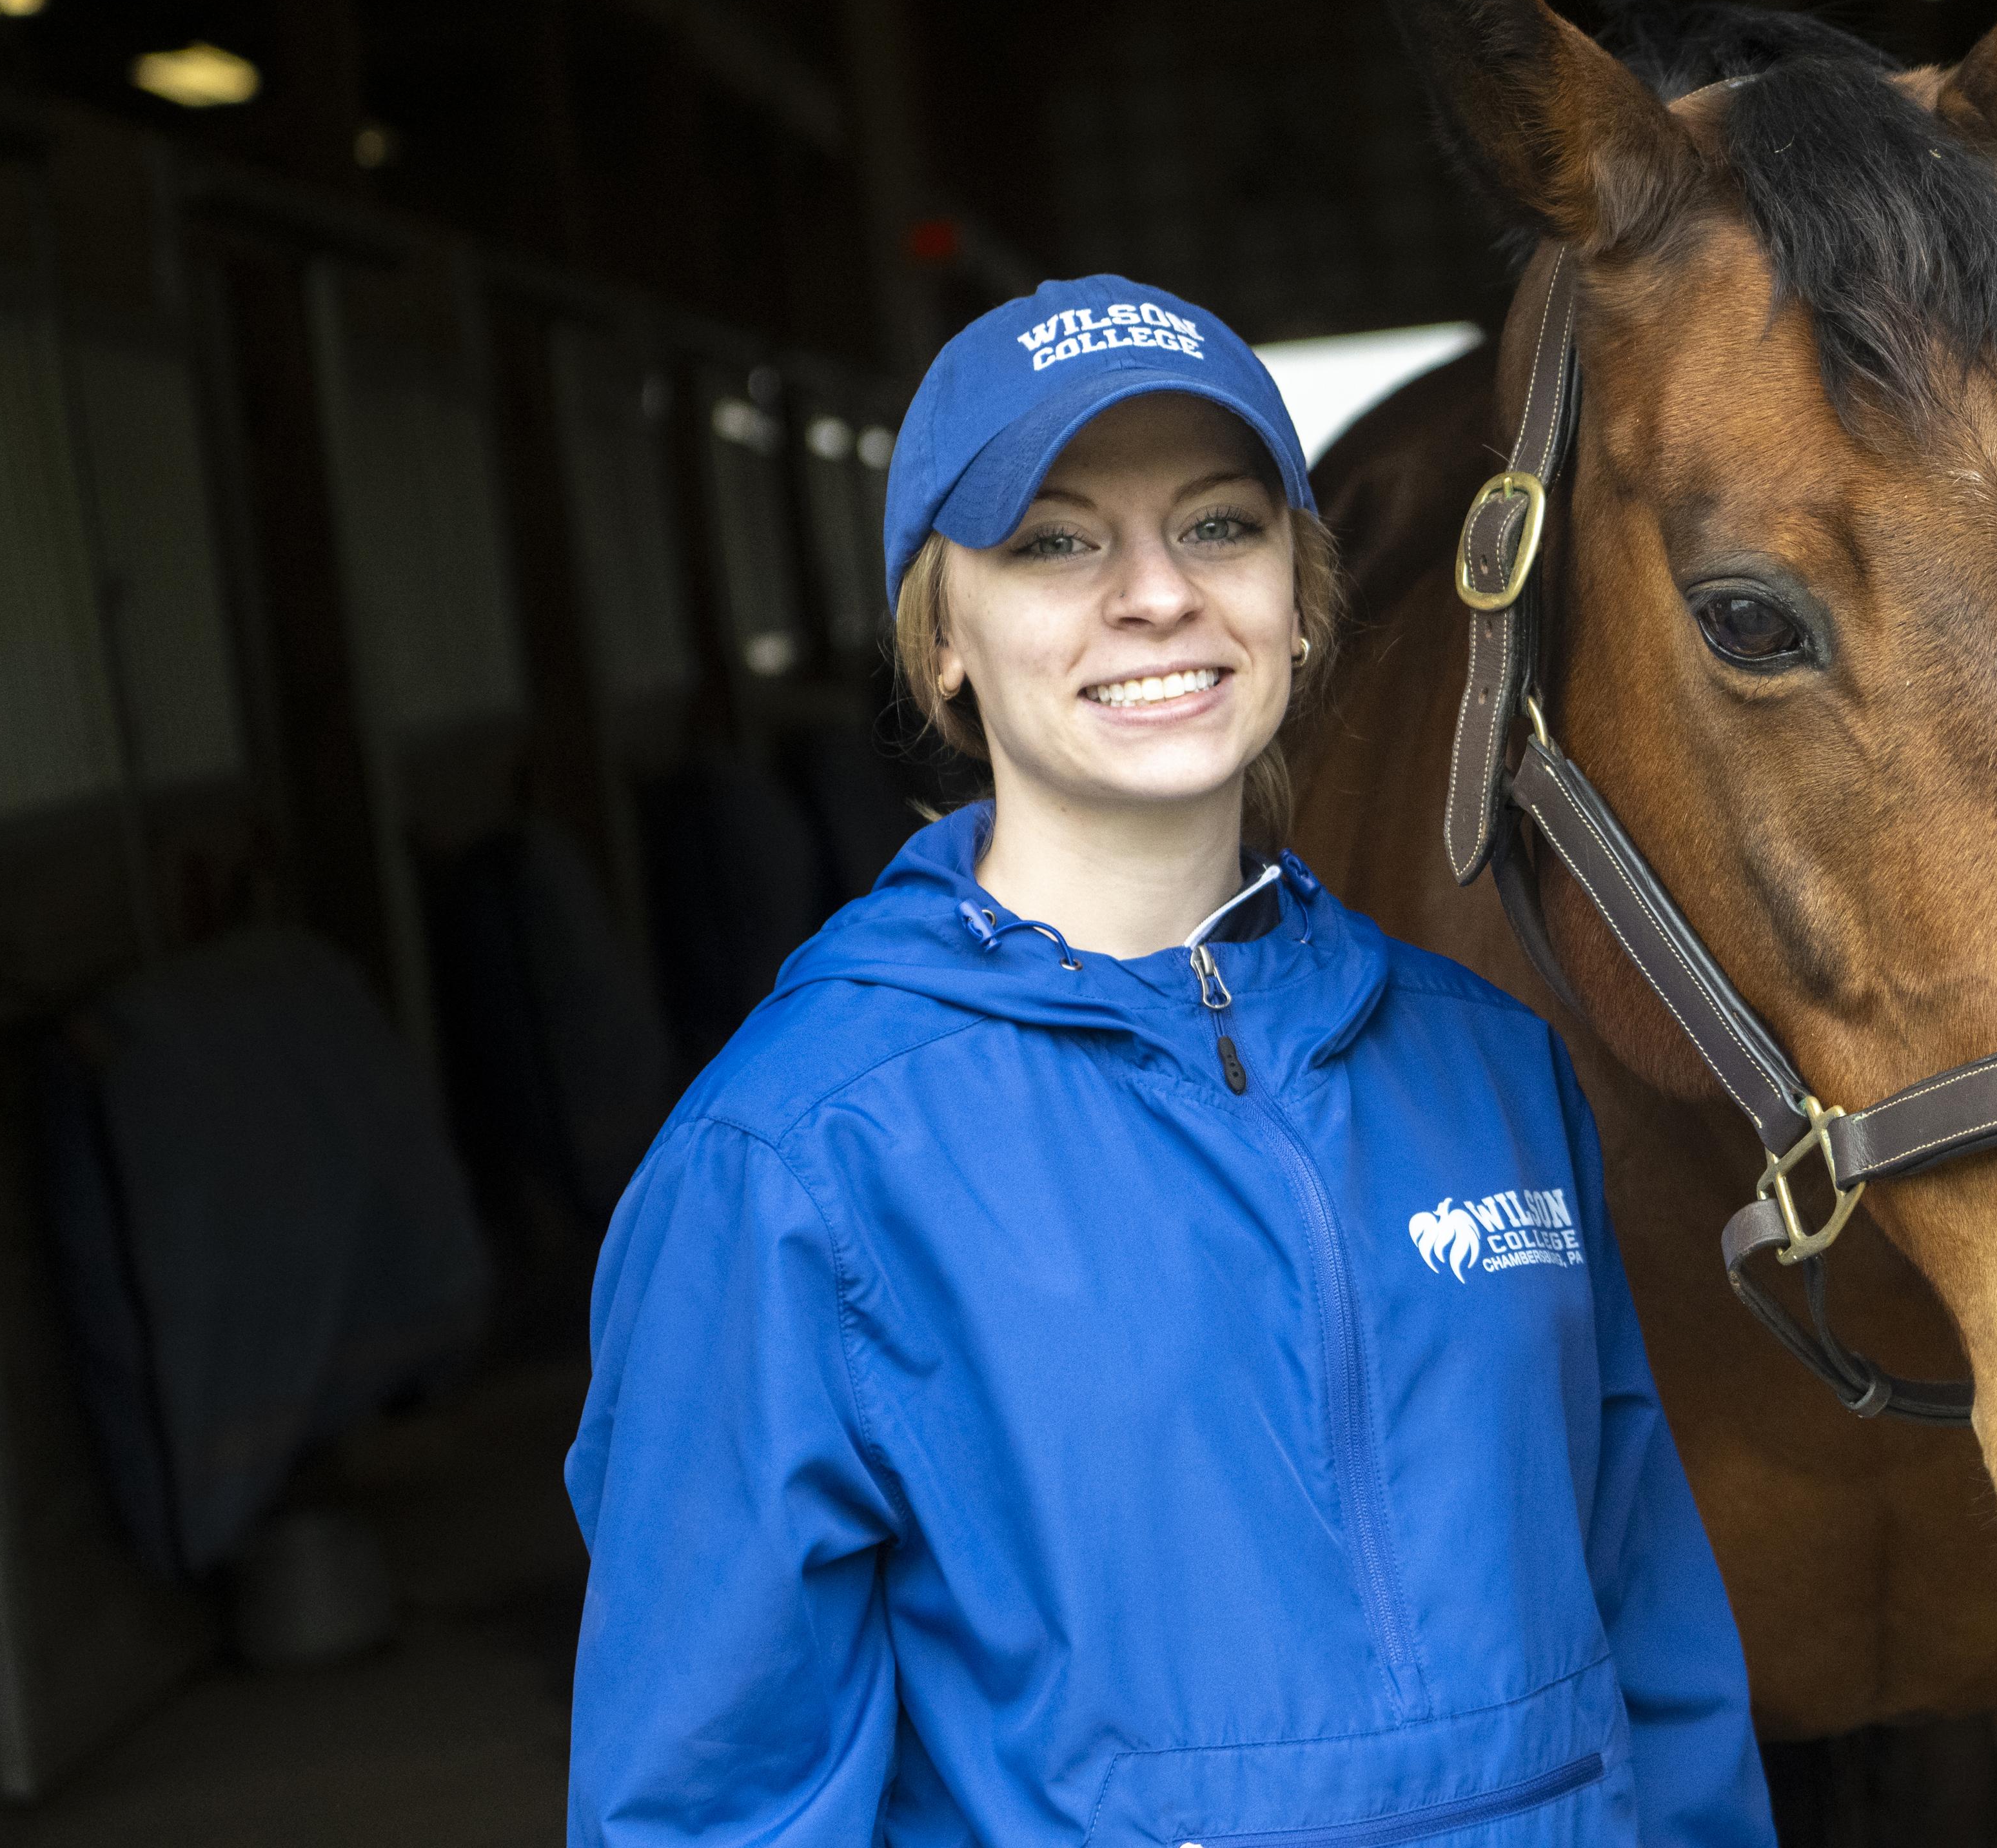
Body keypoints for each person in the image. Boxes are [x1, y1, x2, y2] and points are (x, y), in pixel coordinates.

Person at [565, 277, 1771, 1847]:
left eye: (1218, 526)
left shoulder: (1491, 1076)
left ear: (1301, 592)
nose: (1157, 595)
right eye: (1058, 541)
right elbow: (707, 1800)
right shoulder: (797, 1160)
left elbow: (1657, 1656)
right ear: (943, 641)